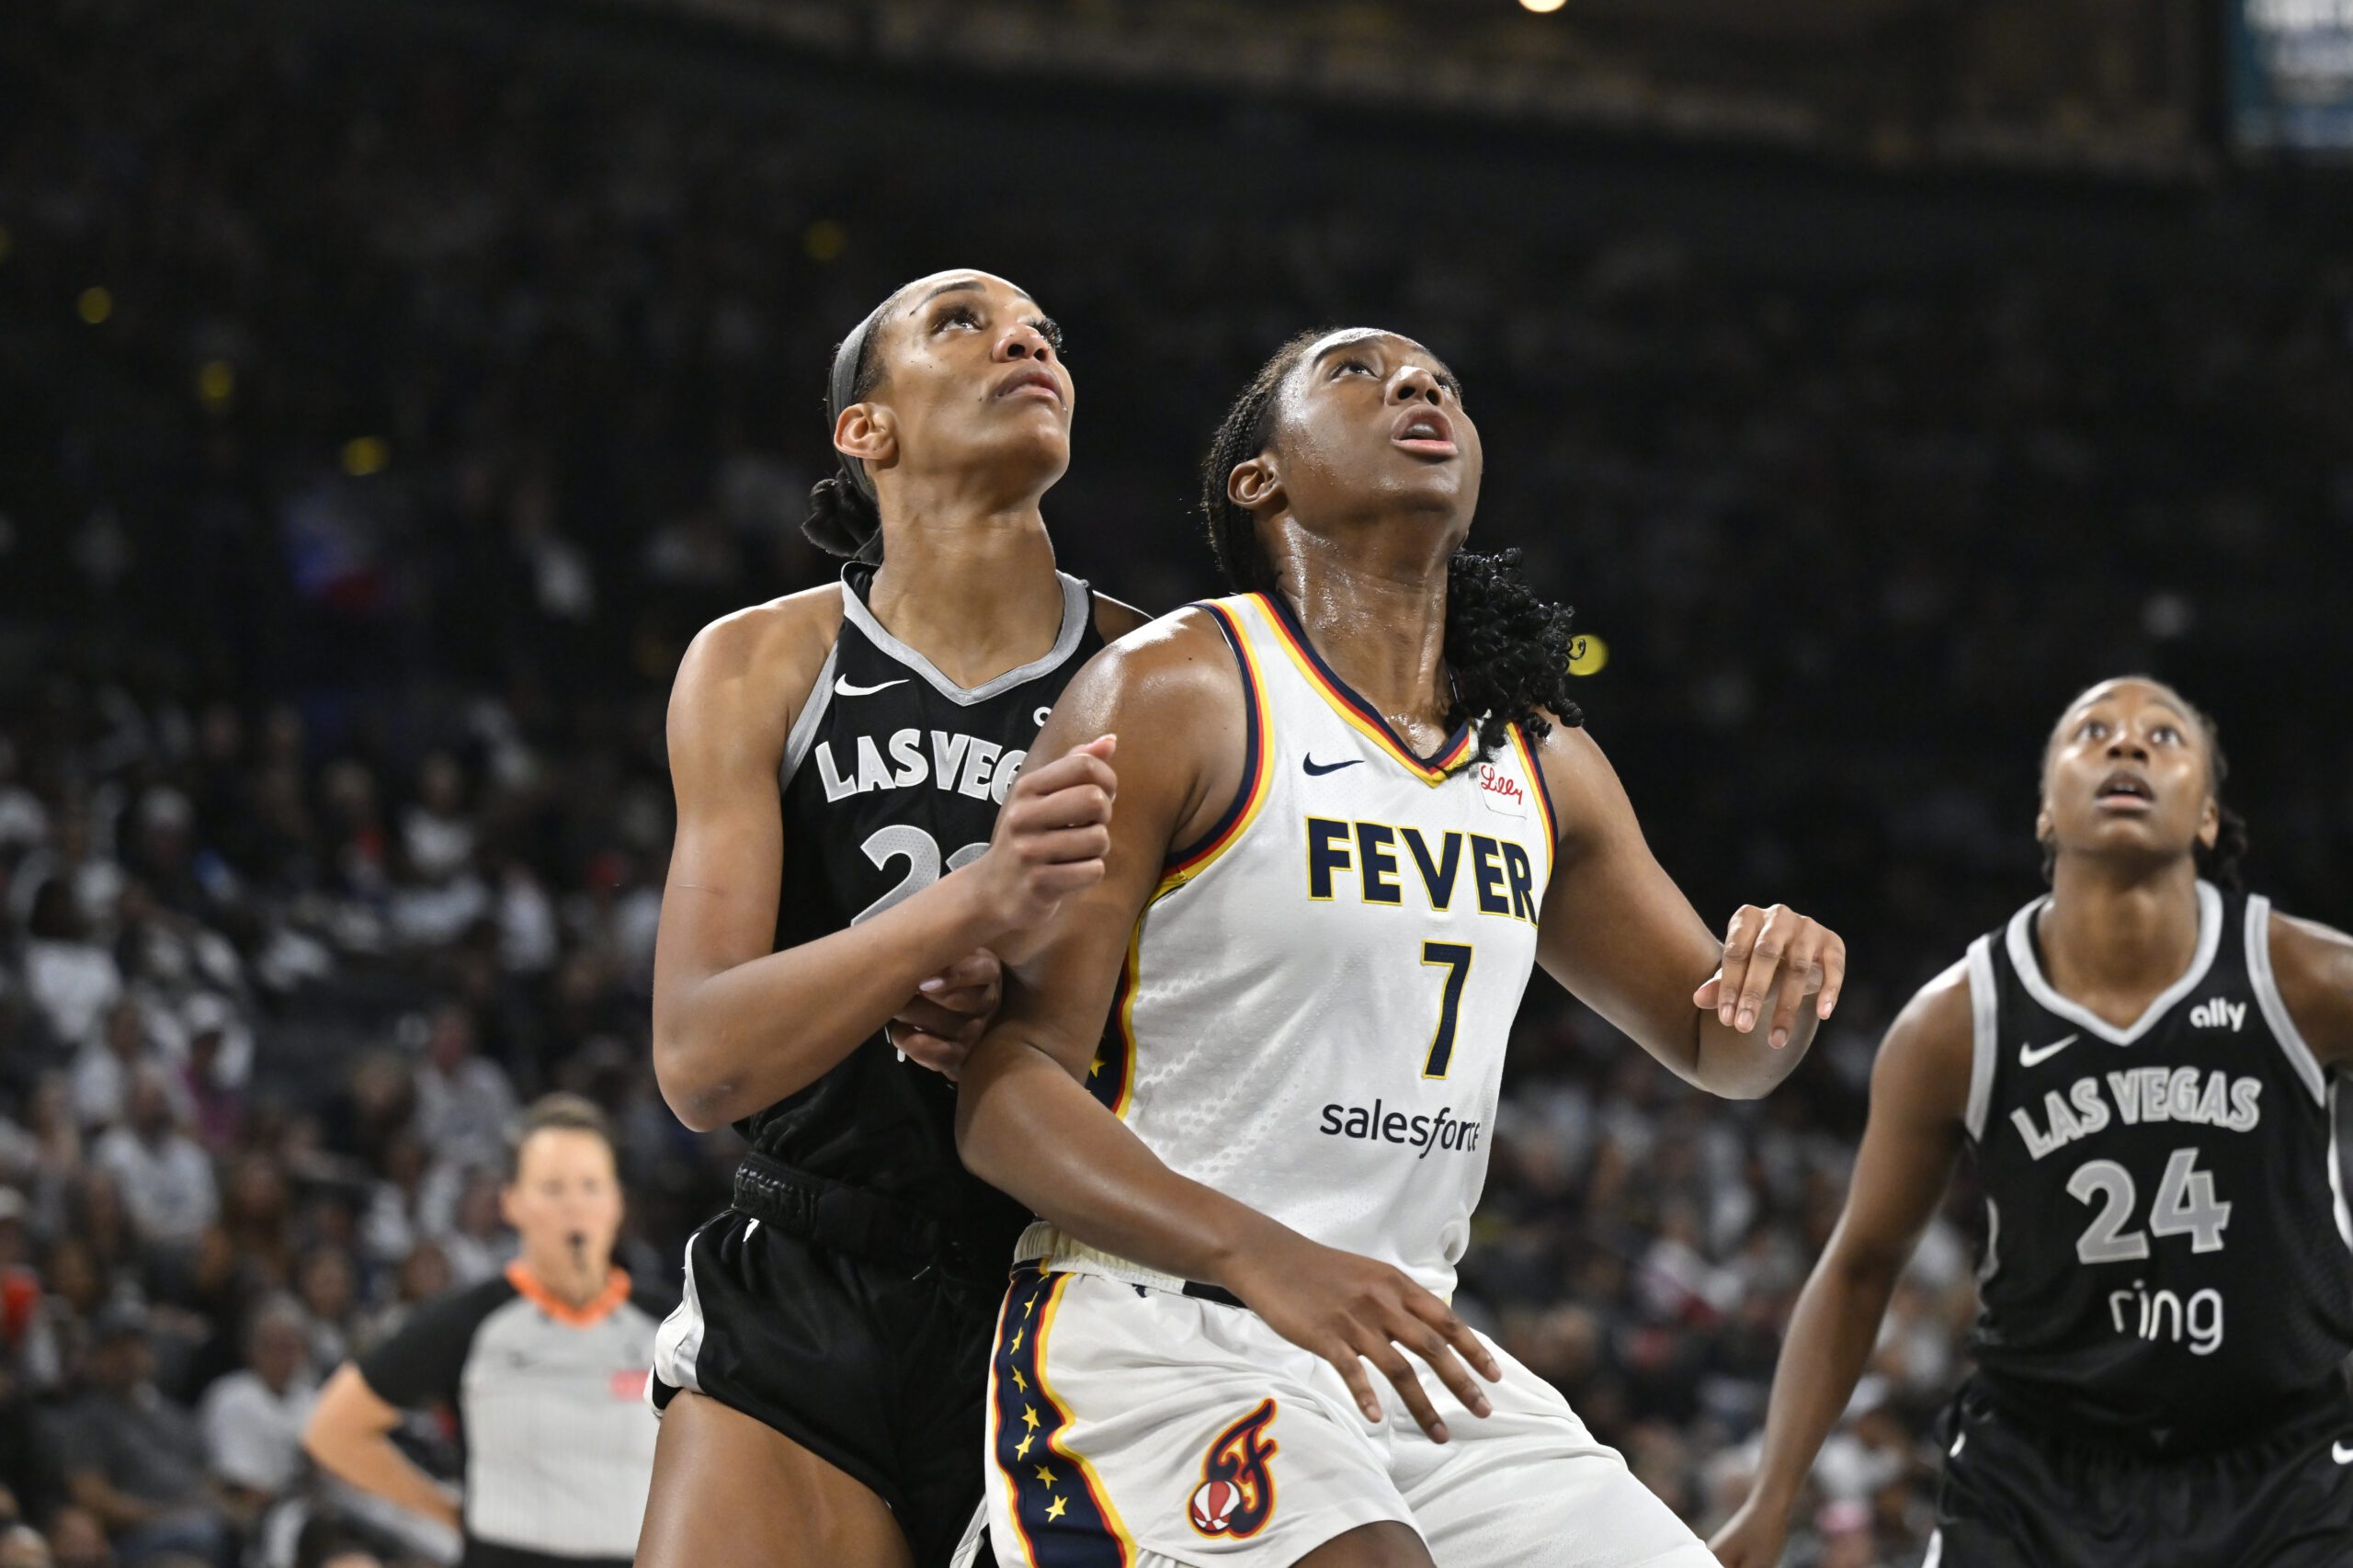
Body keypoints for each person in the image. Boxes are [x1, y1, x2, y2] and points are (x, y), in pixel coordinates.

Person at [953, 326, 1846, 1567]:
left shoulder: (1542, 758)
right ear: (1258, 479)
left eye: (1444, 383)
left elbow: (1716, 1047)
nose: (1420, 386)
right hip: (1163, 1322)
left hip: (1405, 1349)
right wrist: (1261, 1251)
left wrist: (1778, 1006)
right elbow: (1005, 1094)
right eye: (1359, 373)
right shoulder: (1176, 688)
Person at [638, 269, 1145, 1568]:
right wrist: (957, 913)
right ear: (867, 429)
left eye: (1044, 330)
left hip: (1071, 1298)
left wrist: (1022, 1011)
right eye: (962, 322)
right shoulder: (759, 662)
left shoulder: (1161, 672)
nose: (1025, 338)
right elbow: (700, 1059)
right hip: (811, 1276)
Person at [1709, 676, 2353, 1568]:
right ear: (2045, 810)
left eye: (2163, 736)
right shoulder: (1952, 1023)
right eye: (2093, 731)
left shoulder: (2306, 978)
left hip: (2281, 1464)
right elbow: (1859, 1266)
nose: (2127, 745)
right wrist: (1772, 1494)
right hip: (2034, 1474)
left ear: (2206, 815)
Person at [302, 1095, 666, 1568]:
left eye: (590, 1186)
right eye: (552, 1188)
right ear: (512, 1203)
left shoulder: (673, 1323)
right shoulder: (470, 1321)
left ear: (617, 1203)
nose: (573, 1207)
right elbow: (333, 1429)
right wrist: (445, 1509)